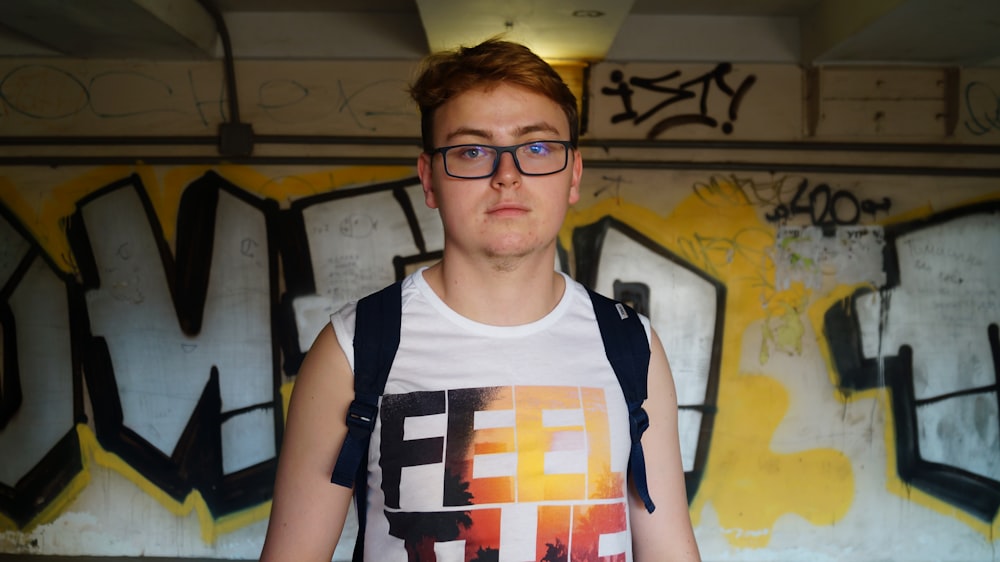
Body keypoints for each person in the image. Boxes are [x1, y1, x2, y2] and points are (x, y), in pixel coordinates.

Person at [259, 38, 701, 561]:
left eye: (536, 147)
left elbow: (669, 549)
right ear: (429, 178)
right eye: (472, 150)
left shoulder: (631, 345)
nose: (506, 175)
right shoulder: (355, 347)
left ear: (573, 174)